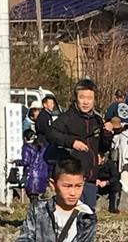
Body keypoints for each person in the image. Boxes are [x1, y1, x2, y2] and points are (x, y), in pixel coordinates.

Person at [45, 77, 111, 211]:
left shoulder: (97, 120)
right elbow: (51, 134)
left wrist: (107, 134)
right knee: (72, 214)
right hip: (72, 177)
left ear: (94, 100)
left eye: (90, 98)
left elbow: (103, 147)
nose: (86, 102)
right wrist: (72, 142)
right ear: (76, 98)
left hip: (91, 177)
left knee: (88, 215)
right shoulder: (67, 118)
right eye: (82, 97)